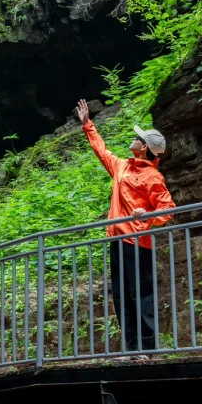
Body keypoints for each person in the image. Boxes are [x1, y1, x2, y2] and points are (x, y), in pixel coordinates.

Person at [75, 99, 176, 351]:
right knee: (121, 297)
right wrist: (87, 124)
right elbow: (102, 151)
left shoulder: (152, 176)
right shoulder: (122, 167)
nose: (134, 139)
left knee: (141, 294)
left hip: (138, 242)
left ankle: (147, 350)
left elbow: (167, 208)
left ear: (144, 147)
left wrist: (147, 215)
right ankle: (133, 349)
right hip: (117, 239)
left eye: (138, 138)